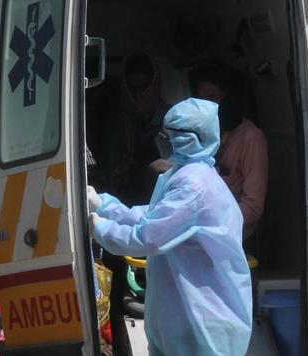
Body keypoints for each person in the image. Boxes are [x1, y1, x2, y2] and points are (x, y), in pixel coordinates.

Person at [87, 98, 253, 356]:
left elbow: (147, 237)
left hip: (203, 320)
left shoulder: (193, 186)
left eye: (177, 135)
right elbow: (151, 217)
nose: (169, 140)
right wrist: (103, 205)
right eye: (168, 134)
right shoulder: (183, 175)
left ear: (200, 136)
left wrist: (98, 228)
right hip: (187, 317)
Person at [192, 64, 268, 240]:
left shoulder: (251, 138)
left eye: (213, 99)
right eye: (201, 101)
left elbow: (253, 207)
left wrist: (213, 226)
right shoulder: (200, 133)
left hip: (228, 235)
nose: (207, 108)